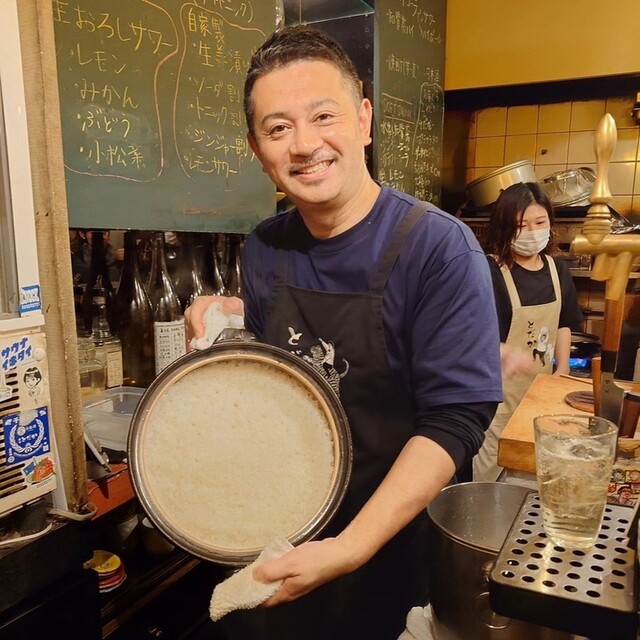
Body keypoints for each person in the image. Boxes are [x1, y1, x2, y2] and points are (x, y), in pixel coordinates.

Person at [185, 25, 502, 640]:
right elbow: (273, 386)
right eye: (278, 128)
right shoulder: (264, 247)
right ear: (257, 149)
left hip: (394, 550)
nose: (305, 144)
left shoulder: (438, 248)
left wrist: (351, 547)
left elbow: (456, 419)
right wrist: (229, 325)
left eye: (323, 116)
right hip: (285, 533)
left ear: (363, 120)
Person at [473, 182, 583, 482]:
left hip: (541, 396)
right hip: (497, 399)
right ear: (504, 228)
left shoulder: (556, 269)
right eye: (521, 226)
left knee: (535, 474)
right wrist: (504, 352)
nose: (532, 232)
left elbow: (564, 322)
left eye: (540, 222)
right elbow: (471, 334)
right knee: (491, 479)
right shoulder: (489, 271)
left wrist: (562, 369)